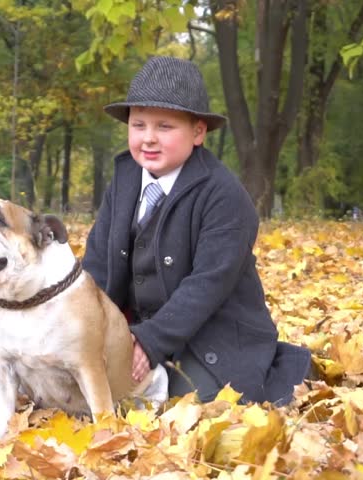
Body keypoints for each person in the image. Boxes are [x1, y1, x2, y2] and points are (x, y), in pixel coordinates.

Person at [82, 56, 311, 405]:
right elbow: (97, 263)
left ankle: (284, 367)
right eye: (139, 125)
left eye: (164, 127)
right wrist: (86, 328)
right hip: (131, 326)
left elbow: (207, 286)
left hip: (210, 333)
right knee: (77, 389)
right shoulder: (126, 178)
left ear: (198, 132)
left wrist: (148, 343)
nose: (148, 139)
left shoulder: (224, 195)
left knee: (190, 405)